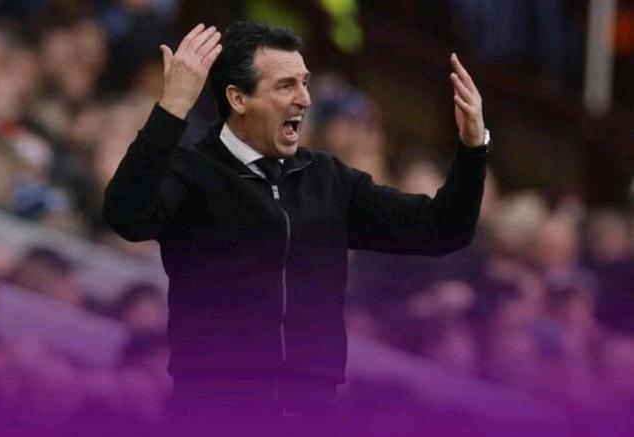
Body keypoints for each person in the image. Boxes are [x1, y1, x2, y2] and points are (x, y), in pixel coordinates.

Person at [103, 20, 490, 431]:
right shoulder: (192, 172)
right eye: (286, 86)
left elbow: (443, 228)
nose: (305, 99)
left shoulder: (328, 179)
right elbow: (126, 215)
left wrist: (473, 147)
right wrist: (171, 110)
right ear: (238, 98)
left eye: (304, 83)